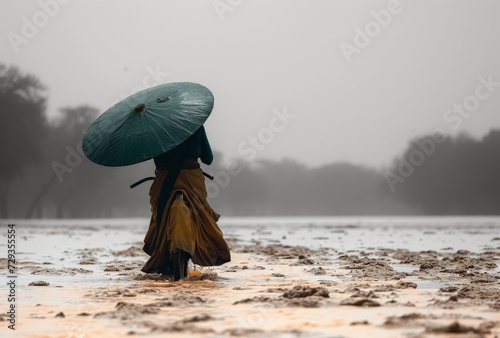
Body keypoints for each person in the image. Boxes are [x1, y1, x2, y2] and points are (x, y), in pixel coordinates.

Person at [141, 126, 231, 278]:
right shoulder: (195, 125)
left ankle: (163, 246)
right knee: (200, 212)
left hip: (165, 180)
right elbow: (208, 159)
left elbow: (157, 162)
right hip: (192, 179)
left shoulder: (158, 128)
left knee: (159, 216)